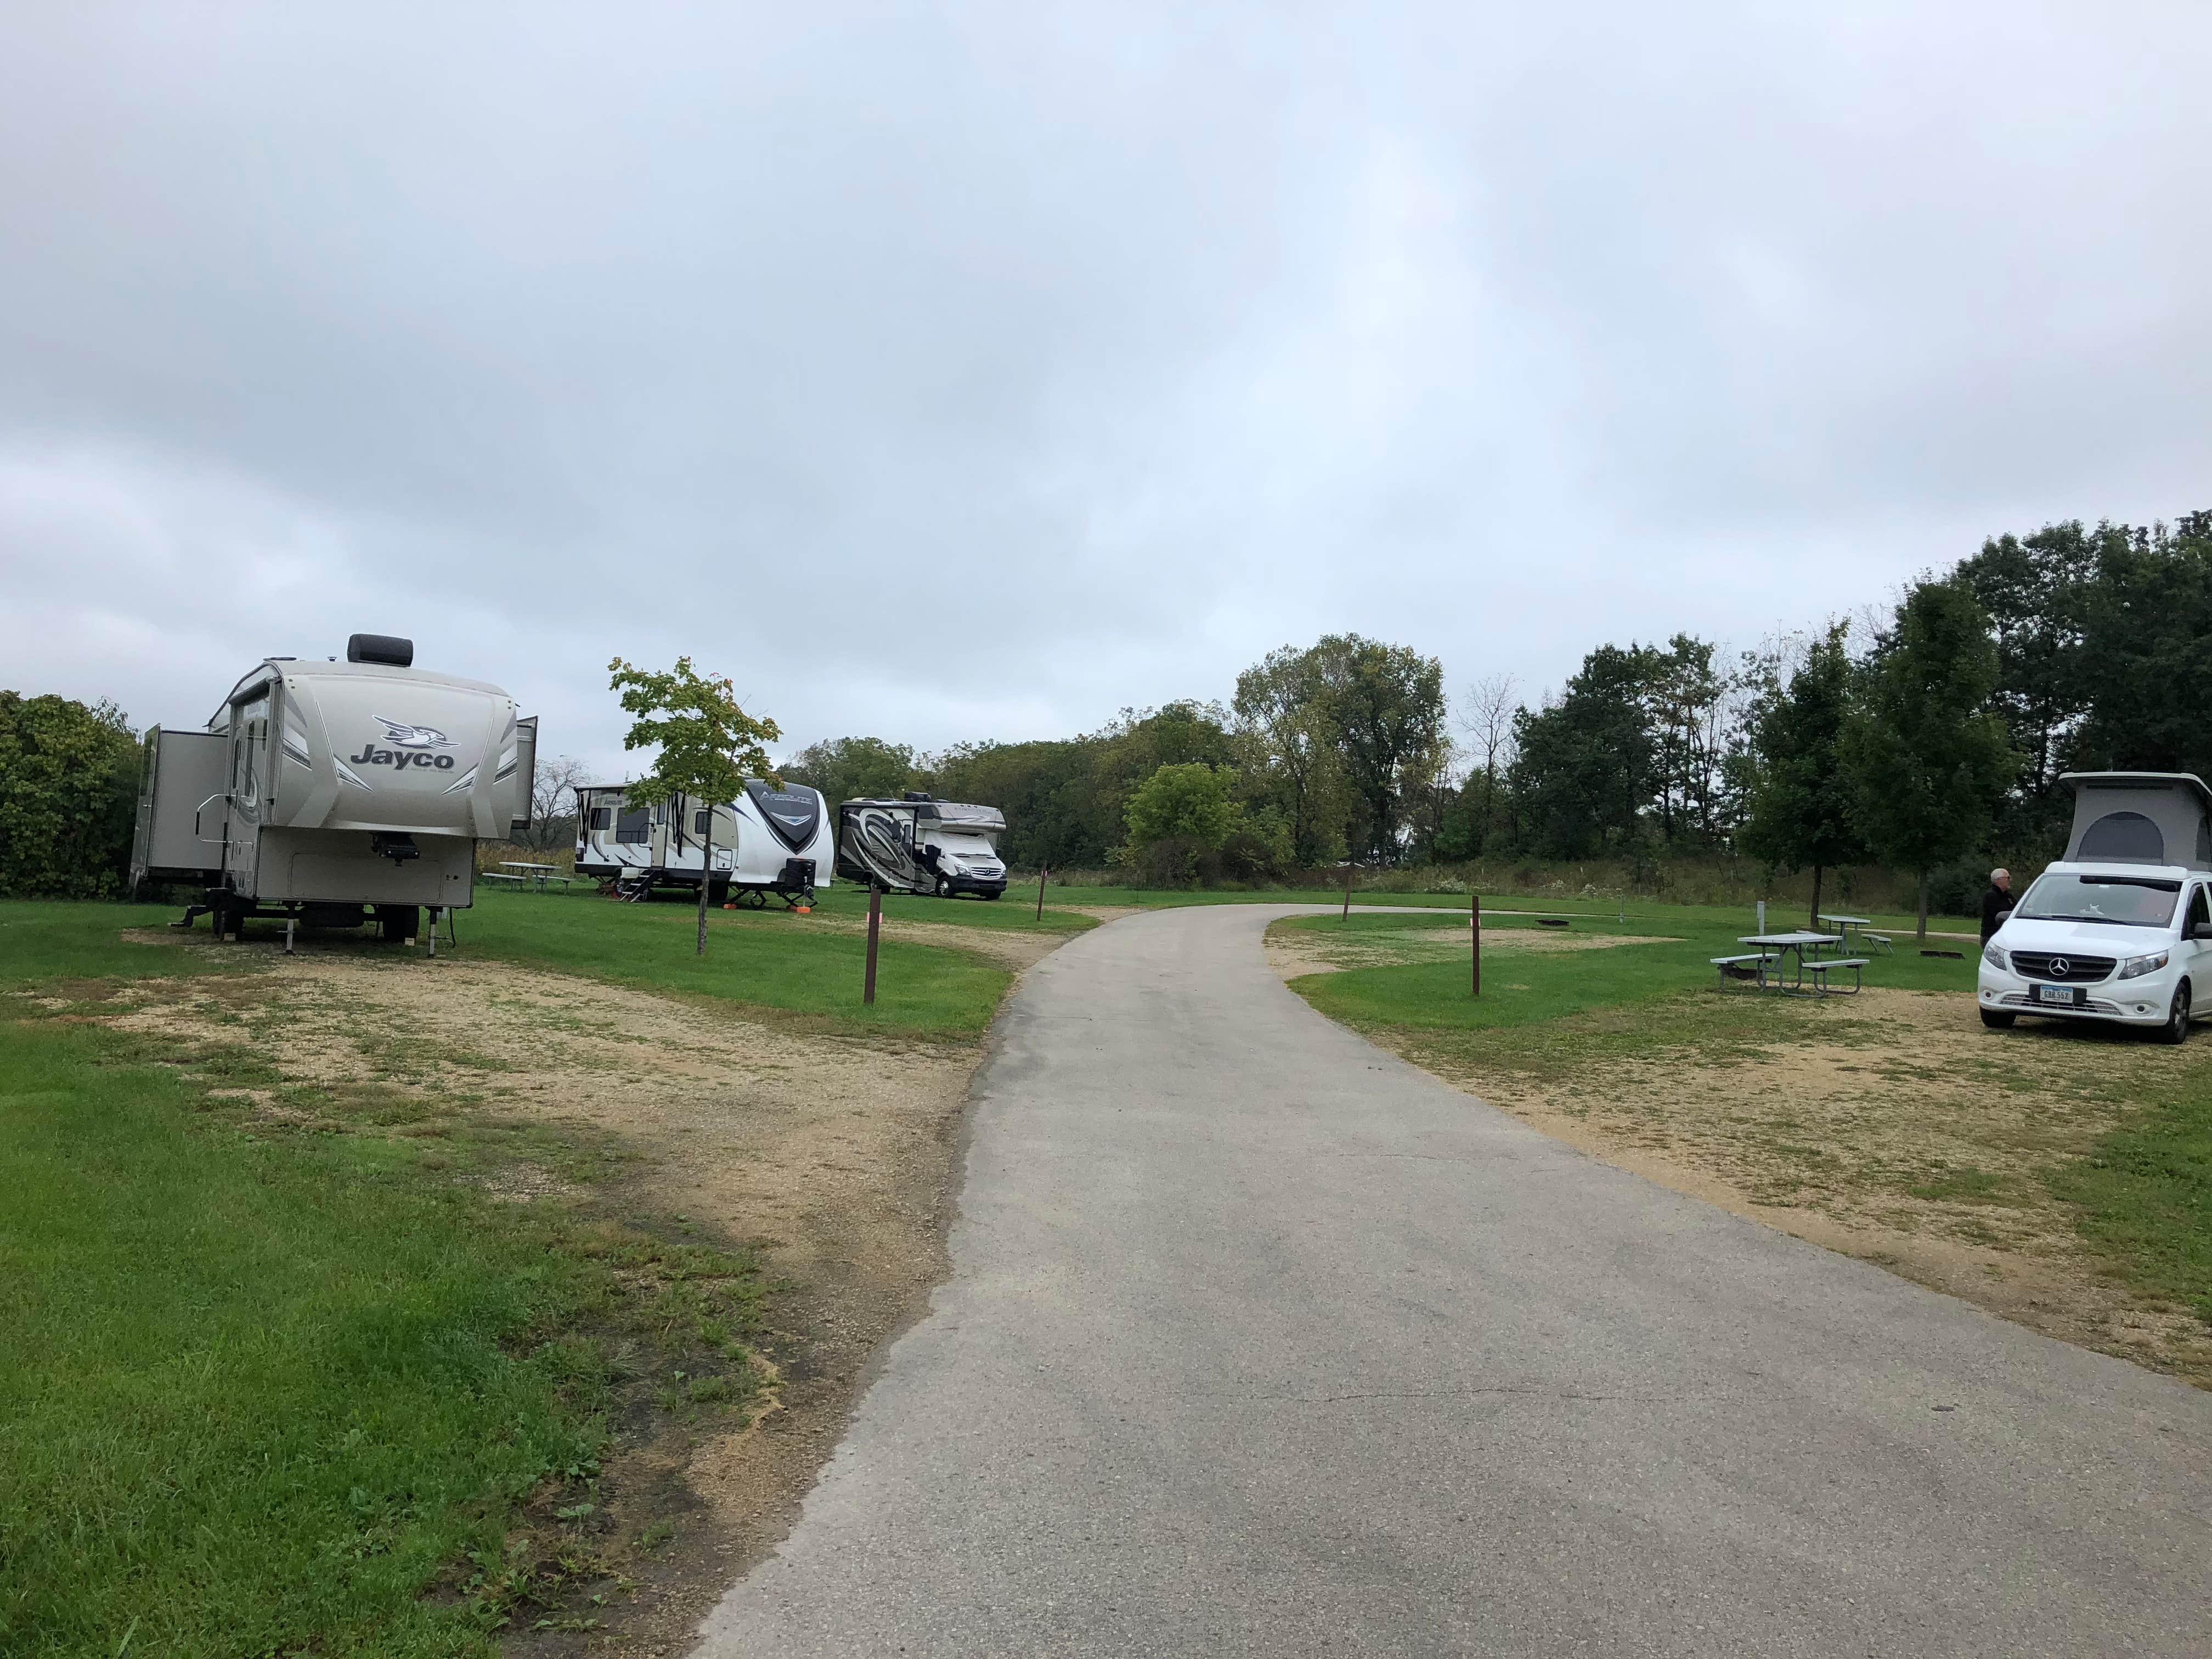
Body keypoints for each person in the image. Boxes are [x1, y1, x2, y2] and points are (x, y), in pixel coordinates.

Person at [1980, 868, 2013, 943]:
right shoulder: (1991, 895)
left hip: (2003, 934)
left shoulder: (2008, 895)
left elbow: (2016, 909)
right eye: (2007, 878)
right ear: (1998, 880)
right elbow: (2000, 913)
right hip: (1991, 936)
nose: (2010, 880)